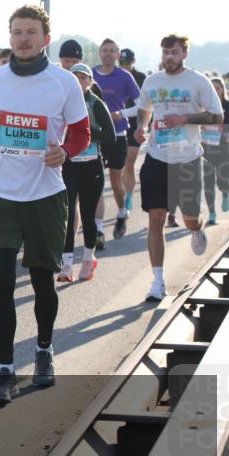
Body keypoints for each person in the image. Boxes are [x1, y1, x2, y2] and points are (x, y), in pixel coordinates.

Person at [0, 4, 91, 404]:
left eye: (31, 32)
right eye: (17, 32)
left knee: (41, 281)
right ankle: (4, 369)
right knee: (2, 280)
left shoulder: (63, 82)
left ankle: (43, 349)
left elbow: (81, 131)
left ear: (45, 39)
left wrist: (66, 152)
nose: (23, 38)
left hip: (45, 194)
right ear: (10, 36)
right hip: (1, 195)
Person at [135, 35, 223, 300]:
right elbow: (144, 109)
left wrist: (185, 118)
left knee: (190, 218)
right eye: (165, 53)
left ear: (184, 53)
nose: (168, 58)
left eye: (173, 52)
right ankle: (158, 282)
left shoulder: (198, 82)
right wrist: (141, 126)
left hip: (188, 159)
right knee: (156, 217)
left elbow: (217, 116)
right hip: (157, 157)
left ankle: (196, 229)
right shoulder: (153, 81)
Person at [59, 64, 115, 282]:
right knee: (69, 215)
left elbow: (111, 135)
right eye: (75, 77)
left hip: (91, 165)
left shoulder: (96, 103)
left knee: (88, 214)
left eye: (84, 77)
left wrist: (88, 131)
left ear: (90, 82)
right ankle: (66, 265)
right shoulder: (61, 101)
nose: (79, 81)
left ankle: (88, 258)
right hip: (69, 164)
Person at [92, 38, 141, 241]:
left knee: (114, 180)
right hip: (96, 136)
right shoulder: (91, 74)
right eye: (104, 50)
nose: (108, 54)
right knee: (96, 182)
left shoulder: (125, 76)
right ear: (99, 53)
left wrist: (121, 113)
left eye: (112, 51)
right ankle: (98, 229)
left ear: (117, 55)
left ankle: (121, 212)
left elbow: (141, 105)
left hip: (119, 134)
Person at [202, 76, 229, 225]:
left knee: (222, 180)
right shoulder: (204, 107)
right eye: (213, 88)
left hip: (225, 149)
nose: (216, 91)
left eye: (218, 88)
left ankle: (225, 192)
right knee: (208, 182)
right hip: (207, 150)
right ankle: (212, 213)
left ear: (223, 89)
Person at [120, 48, 147, 214]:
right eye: (121, 62)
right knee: (119, 168)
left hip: (134, 126)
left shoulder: (141, 78)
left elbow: (146, 106)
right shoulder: (114, 75)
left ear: (133, 62)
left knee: (128, 164)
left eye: (127, 62)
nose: (124, 65)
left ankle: (128, 195)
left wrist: (144, 126)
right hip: (116, 125)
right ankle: (122, 193)